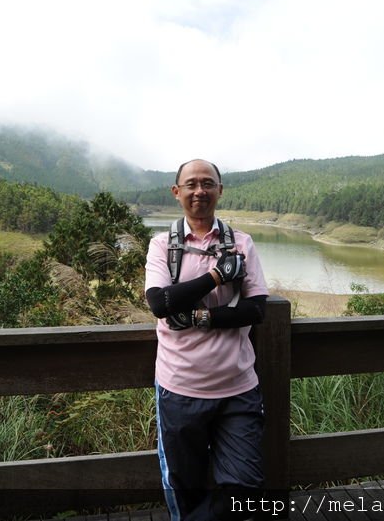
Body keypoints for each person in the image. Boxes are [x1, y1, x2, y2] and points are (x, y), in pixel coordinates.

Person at [144, 159, 269, 521]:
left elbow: (255, 310)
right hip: (179, 387)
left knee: (245, 488)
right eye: (192, 184)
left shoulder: (242, 243)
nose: (200, 191)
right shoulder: (161, 246)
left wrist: (198, 316)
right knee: (187, 488)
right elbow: (160, 303)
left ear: (219, 190)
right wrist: (217, 275)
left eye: (208, 183)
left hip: (238, 386)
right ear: (177, 192)